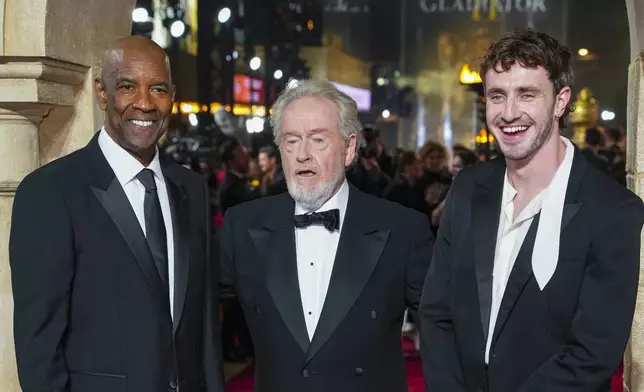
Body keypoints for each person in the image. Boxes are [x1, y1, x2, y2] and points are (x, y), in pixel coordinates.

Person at [419, 29, 644, 392]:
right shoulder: (468, 189)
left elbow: (592, 354)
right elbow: (436, 314)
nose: (508, 113)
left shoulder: (613, 211)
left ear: (560, 101)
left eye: (527, 94)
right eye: (497, 96)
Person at [9, 36, 224, 392]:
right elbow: (39, 349)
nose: (144, 103)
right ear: (102, 93)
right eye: (127, 86)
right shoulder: (50, 191)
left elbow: (205, 334)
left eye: (157, 89)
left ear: (172, 94)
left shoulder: (192, 189)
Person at [217, 80, 433, 392]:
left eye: (317, 140)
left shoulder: (403, 229)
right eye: (291, 141)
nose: (302, 154)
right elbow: (192, 313)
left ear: (349, 149)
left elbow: (446, 329)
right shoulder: (243, 226)